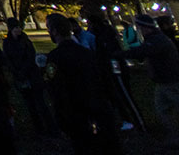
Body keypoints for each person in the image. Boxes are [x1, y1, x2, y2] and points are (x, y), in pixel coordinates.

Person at [44, 12, 120, 154]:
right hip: (99, 109)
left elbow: (56, 91)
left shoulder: (55, 58)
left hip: (77, 115)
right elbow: (105, 80)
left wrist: (61, 119)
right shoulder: (87, 54)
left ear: (54, 31)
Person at [127, 13, 179, 147]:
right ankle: (174, 134)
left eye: (140, 27)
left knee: (164, 108)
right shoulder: (156, 39)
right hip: (163, 81)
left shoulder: (156, 40)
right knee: (161, 109)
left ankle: (174, 135)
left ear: (145, 27)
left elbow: (140, 52)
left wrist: (117, 54)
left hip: (170, 80)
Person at [2, 17, 56, 135]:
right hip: (20, 75)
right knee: (30, 105)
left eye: (19, 27)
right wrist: (17, 72)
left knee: (41, 103)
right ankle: (39, 128)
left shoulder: (25, 41)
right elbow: (7, 59)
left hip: (31, 74)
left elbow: (31, 56)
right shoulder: (7, 43)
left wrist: (24, 70)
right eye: (15, 28)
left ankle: (50, 127)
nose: (18, 30)